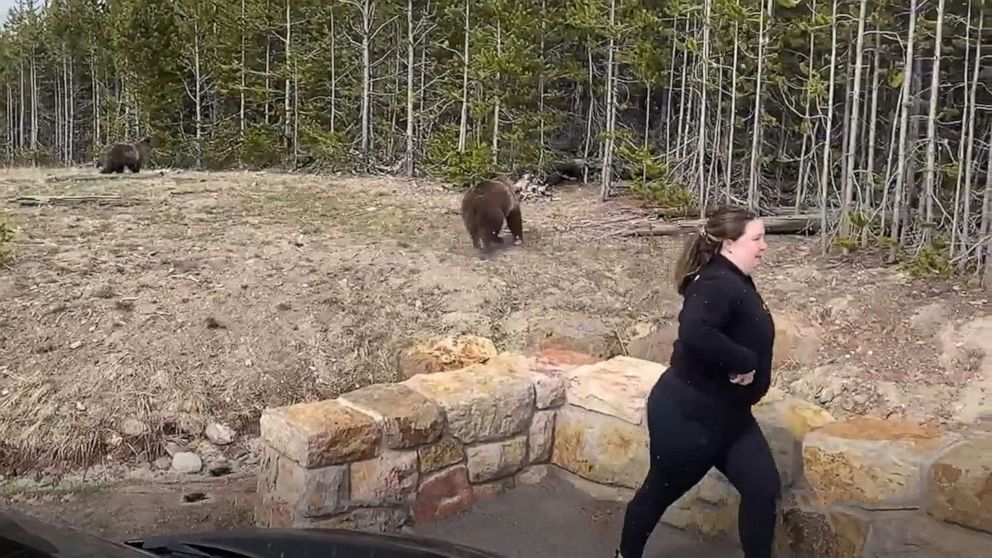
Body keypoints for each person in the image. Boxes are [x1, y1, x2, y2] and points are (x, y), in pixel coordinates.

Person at [615, 206, 781, 558]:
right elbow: (695, 331)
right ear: (729, 244)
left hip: (730, 417)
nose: (764, 246)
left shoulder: (733, 277)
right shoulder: (717, 283)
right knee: (659, 490)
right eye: (757, 238)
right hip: (688, 416)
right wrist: (744, 360)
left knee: (762, 488)